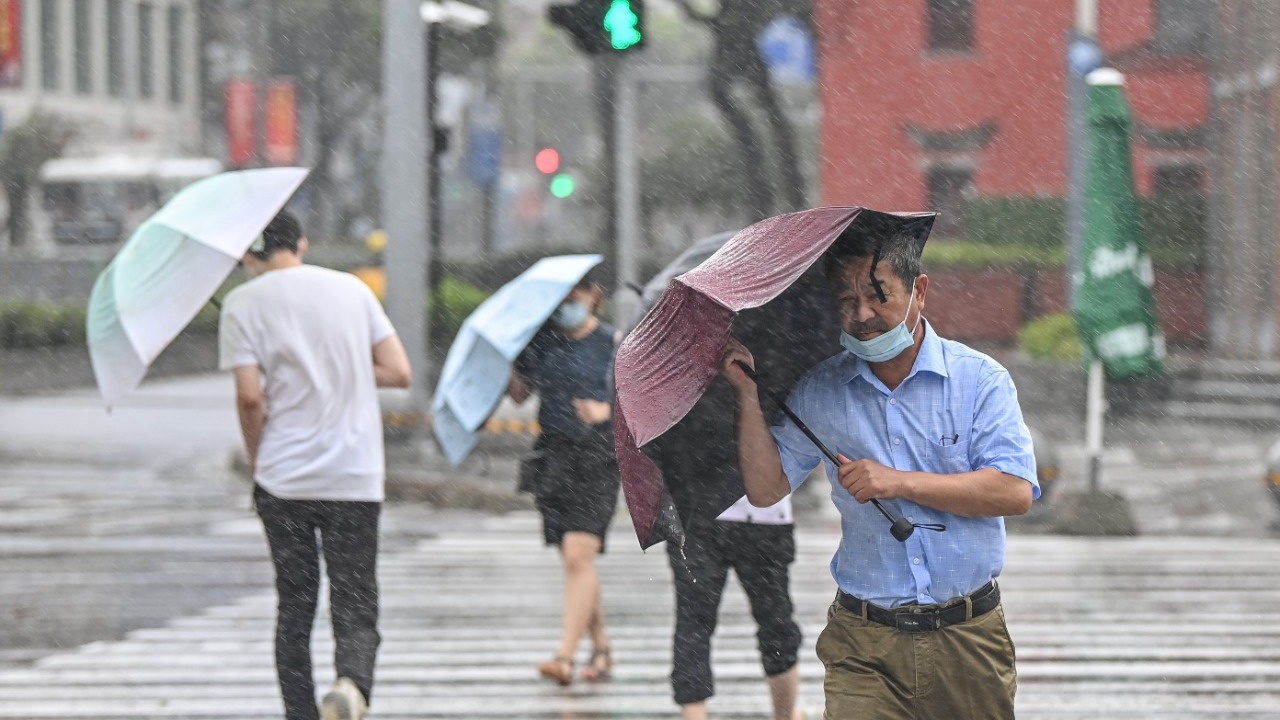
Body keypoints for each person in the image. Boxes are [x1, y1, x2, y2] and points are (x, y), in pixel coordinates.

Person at [720, 225, 1038, 720]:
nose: (862, 314)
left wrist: (898, 481)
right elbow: (765, 491)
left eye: (877, 294)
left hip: (968, 637)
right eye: (847, 300)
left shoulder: (980, 381)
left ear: (920, 291)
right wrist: (746, 397)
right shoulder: (821, 391)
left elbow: (1014, 491)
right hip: (863, 642)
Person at [218, 210, 411, 720]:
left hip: (283, 479)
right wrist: (340, 365)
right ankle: (351, 684)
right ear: (301, 244)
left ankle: (300, 713)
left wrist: (259, 458)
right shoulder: (351, 290)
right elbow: (399, 371)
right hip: (353, 475)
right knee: (355, 599)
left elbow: (249, 399)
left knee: (296, 605)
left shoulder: (240, 305)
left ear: (248, 255)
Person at [651, 374, 807, 720]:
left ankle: (700, 714)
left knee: (696, 621)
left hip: (702, 517)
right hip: (757, 515)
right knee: (774, 620)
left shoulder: (675, 372)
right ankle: (786, 714)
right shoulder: (772, 356)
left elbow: (656, 447)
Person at [507, 274, 621, 686]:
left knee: (578, 556)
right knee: (576, 563)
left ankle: (565, 656)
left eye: (575, 297)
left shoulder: (614, 344)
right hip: (552, 457)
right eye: (562, 300)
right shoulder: (542, 340)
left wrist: (607, 411)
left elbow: (638, 402)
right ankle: (602, 646)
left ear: (595, 296)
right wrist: (509, 356)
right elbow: (520, 395)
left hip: (599, 456)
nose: (567, 306)